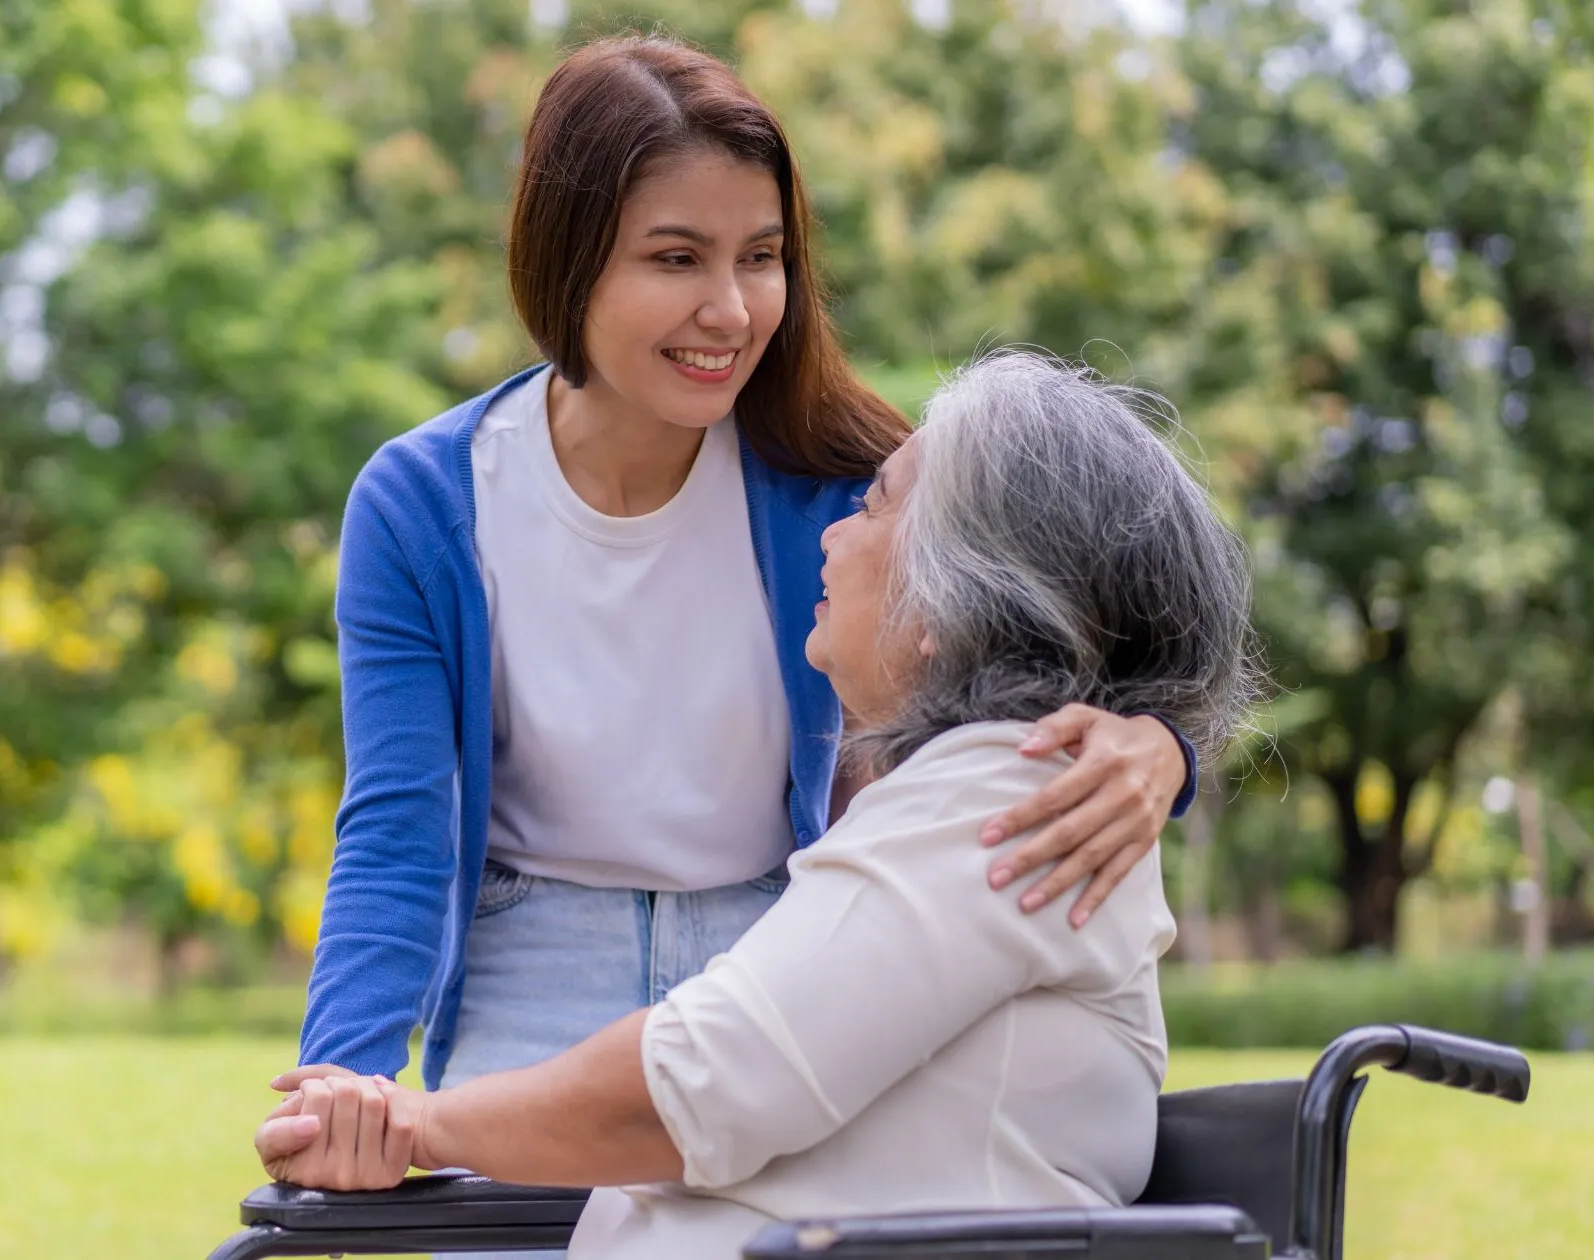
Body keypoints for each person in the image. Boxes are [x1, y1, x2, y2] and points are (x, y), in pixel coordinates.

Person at [298, 34, 1197, 1115]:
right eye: (675, 259)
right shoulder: (423, 505)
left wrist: (1160, 748)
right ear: (566, 260)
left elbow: (1038, 667)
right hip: (528, 968)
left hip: (790, 959)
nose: (730, 310)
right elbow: (395, 827)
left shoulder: (851, 485)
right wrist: (339, 1082)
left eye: (759, 257)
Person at [253, 350, 1264, 1260]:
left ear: (948, 604)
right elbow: (396, 833)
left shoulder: (1009, 791)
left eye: (869, 508)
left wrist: (412, 1124)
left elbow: (701, 1084)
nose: (833, 531)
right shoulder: (973, 789)